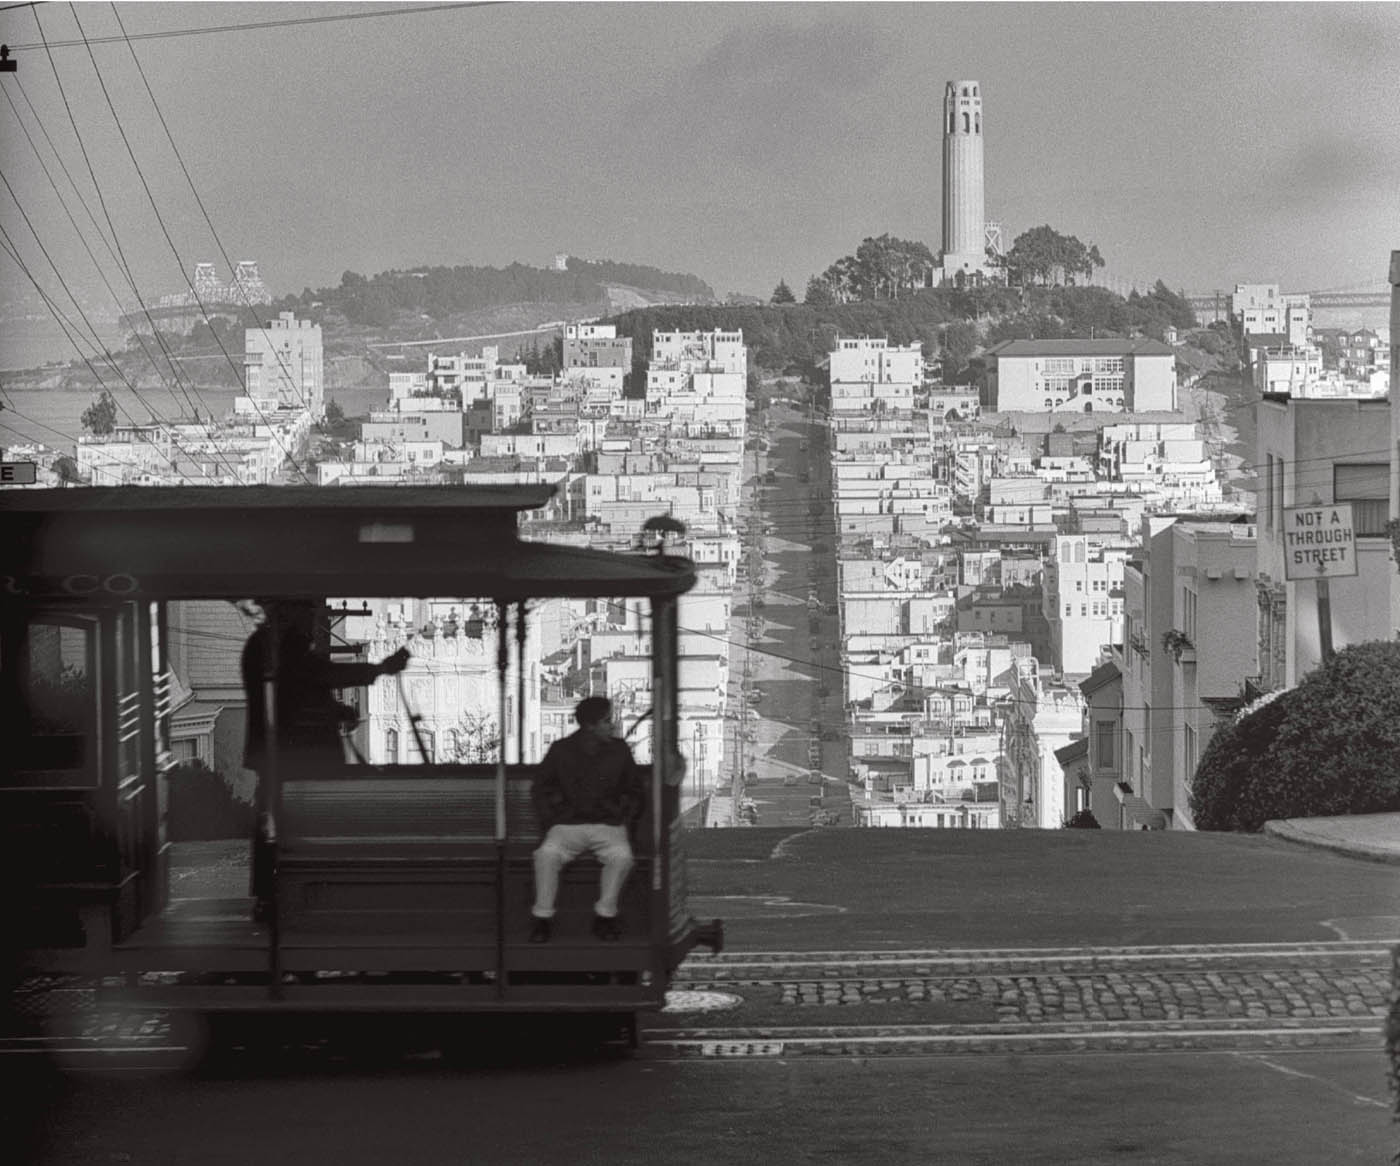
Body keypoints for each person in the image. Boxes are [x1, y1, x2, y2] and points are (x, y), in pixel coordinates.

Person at [241, 599, 410, 919]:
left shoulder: (274, 646)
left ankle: (278, 894)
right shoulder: (276, 647)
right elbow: (313, 679)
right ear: (289, 613)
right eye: (309, 615)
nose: (314, 624)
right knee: (281, 824)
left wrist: (336, 710)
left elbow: (301, 694)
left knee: (276, 820)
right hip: (292, 759)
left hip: (288, 756)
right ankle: (280, 896)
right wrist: (379, 669)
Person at [529, 696, 647, 943]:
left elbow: (635, 790)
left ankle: (605, 914)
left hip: (607, 825)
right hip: (568, 826)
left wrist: (622, 815)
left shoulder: (619, 751)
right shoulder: (561, 750)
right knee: (546, 855)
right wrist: (553, 819)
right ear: (589, 726)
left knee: (622, 857)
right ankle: (543, 917)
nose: (612, 726)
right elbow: (540, 788)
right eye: (606, 721)